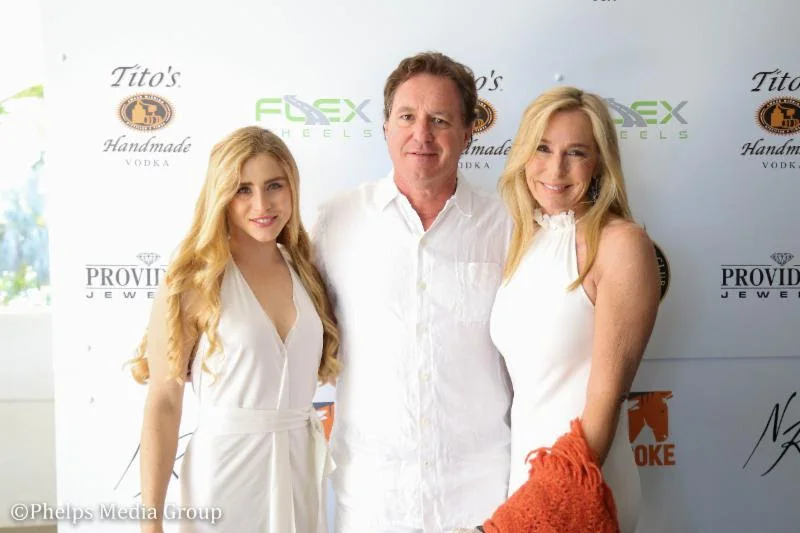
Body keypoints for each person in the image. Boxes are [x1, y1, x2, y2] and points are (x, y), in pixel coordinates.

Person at [313, 52, 513, 532]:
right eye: (407, 117)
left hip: (482, 501)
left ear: (468, 133)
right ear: (385, 127)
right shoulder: (334, 221)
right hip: (373, 504)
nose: (421, 134)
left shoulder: (508, 226)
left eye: (439, 120)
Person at [129, 126, 341, 533]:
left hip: (299, 469)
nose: (262, 204)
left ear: (292, 188)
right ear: (221, 195)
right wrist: (150, 524)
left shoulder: (307, 271)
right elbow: (164, 402)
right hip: (225, 476)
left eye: (274, 185)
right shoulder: (193, 280)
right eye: (243, 189)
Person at [488, 86, 661, 532]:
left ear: (599, 162)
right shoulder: (522, 241)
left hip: (583, 483)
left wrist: (536, 513)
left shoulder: (622, 245)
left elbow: (604, 400)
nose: (556, 169)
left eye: (576, 153)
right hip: (526, 482)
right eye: (543, 148)